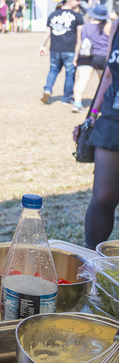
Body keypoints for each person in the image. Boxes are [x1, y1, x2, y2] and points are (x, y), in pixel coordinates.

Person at [82, 13, 119, 249]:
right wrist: (91, 117)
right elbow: (108, 73)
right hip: (113, 116)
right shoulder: (117, 24)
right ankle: (92, 264)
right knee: (103, 195)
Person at [39, 0, 83, 105]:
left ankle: (48, 89)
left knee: (53, 70)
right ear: (70, 1)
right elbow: (80, 36)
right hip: (70, 49)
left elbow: (47, 32)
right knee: (70, 74)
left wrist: (42, 45)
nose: (79, 3)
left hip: (55, 48)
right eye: (77, 0)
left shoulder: (53, 14)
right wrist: (78, 52)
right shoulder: (77, 16)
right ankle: (67, 98)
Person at [72, 4, 111, 112]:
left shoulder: (85, 26)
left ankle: (77, 103)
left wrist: (76, 56)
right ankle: (104, 104)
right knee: (104, 82)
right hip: (102, 57)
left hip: (85, 56)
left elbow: (79, 42)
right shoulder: (109, 26)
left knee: (82, 80)